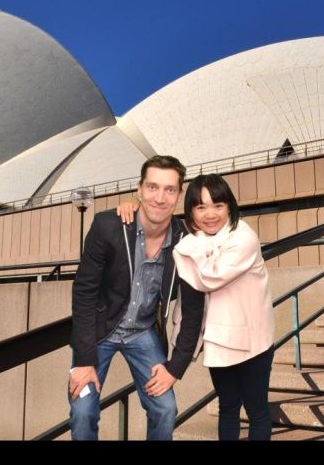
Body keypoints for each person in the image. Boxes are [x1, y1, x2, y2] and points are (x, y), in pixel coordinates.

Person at [118, 174, 274, 440]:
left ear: (230, 206)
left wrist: (188, 244)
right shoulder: (197, 238)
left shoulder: (242, 236)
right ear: (190, 210)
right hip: (219, 339)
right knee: (227, 409)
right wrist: (132, 204)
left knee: (256, 410)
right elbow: (157, 216)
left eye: (218, 205)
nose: (210, 214)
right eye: (200, 207)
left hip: (252, 341)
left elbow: (211, 277)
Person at [69, 155, 206, 440]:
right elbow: (84, 293)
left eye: (169, 190)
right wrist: (83, 360)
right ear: (139, 189)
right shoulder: (109, 226)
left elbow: (193, 313)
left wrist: (174, 369)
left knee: (165, 409)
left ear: (179, 195)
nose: (160, 197)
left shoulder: (186, 240)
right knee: (83, 411)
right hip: (99, 331)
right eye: (152, 187)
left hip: (143, 333)